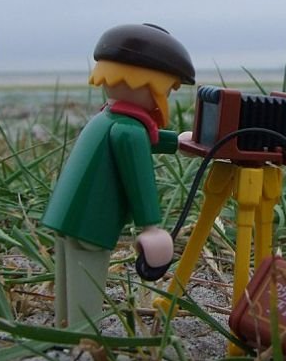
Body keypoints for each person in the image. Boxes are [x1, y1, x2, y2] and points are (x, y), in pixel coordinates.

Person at [41, 23, 195, 329]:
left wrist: (176, 142)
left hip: (65, 214)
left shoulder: (106, 117)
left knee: (68, 278)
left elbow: (143, 138)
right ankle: (83, 337)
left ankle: (64, 326)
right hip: (92, 223)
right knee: (86, 281)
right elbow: (139, 180)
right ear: (151, 86)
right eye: (167, 89)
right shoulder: (128, 130)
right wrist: (150, 227)